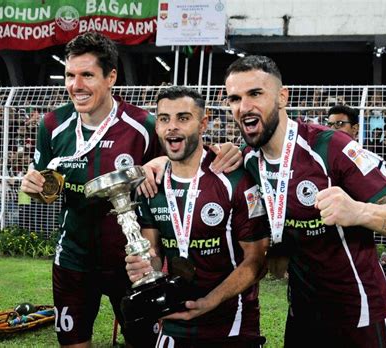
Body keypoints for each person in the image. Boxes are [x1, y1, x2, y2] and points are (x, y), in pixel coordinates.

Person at [20, 32, 241, 348]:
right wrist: (33, 187)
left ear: (111, 77)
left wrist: (226, 149)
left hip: (133, 264)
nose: (75, 85)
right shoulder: (52, 125)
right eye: (70, 75)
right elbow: (45, 190)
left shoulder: (143, 124)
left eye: (86, 75)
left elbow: (188, 154)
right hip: (73, 260)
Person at [224, 55, 386, 347]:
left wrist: (358, 211)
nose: (244, 107)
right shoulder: (248, 160)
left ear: (282, 97)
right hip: (301, 313)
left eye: (255, 94)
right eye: (234, 98)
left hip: (357, 312)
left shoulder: (330, 146)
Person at [126, 86, 270, 347]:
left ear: (203, 123)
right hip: (174, 321)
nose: (172, 127)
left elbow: (257, 260)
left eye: (183, 118)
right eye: (164, 119)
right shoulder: (151, 185)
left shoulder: (234, 178)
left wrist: (209, 302)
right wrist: (146, 267)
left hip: (232, 323)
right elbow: (154, 254)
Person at [326, 106, 386, 286]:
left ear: (355, 129)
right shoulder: (313, 162)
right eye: (329, 124)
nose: (332, 130)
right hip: (316, 252)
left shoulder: (372, 163)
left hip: (356, 251)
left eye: (339, 124)